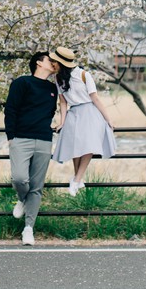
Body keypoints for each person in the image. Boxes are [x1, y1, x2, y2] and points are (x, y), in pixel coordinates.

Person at [4, 51, 59, 245]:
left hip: (44, 139)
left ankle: (29, 229)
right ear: (38, 63)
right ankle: (22, 198)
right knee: (20, 178)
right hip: (21, 138)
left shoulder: (54, 88)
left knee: (37, 187)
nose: (53, 63)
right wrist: (11, 137)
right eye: (49, 60)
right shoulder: (22, 83)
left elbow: (51, 112)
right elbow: (10, 109)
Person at [50, 45, 116, 194]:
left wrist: (108, 119)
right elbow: (63, 102)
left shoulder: (84, 75)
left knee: (88, 146)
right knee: (75, 145)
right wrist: (62, 121)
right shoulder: (58, 78)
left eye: (54, 61)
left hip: (90, 112)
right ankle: (77, 180)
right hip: (73, 113)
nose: (52, 64)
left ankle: (77, 180)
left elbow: (95, 98)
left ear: (61, 63)